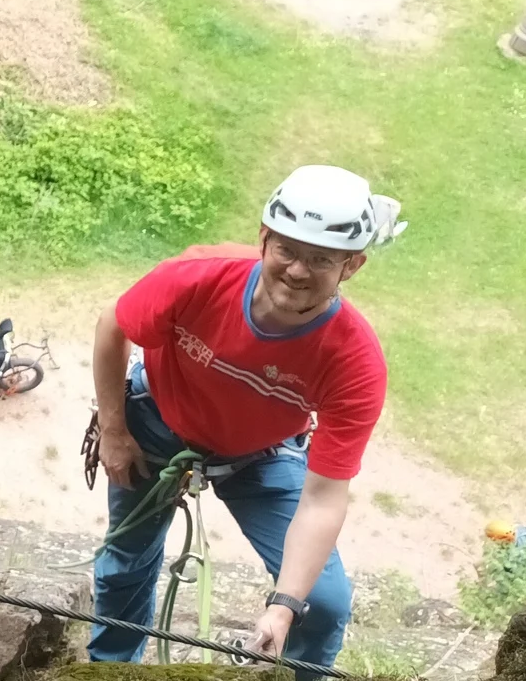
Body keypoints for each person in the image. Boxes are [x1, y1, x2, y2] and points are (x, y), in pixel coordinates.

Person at [85, 165, 406, 678]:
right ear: (263, 239)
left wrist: (284, 605)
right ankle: (111, 670)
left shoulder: (354, 361)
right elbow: (113, 325)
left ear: (352, 266)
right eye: (286, 250)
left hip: (263, 452)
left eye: (321, 259)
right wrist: (114, 430)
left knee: (321, 604)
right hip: (159, 418)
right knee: (125, 562)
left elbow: (324, 498)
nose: (297, 271)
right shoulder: (199, 277)